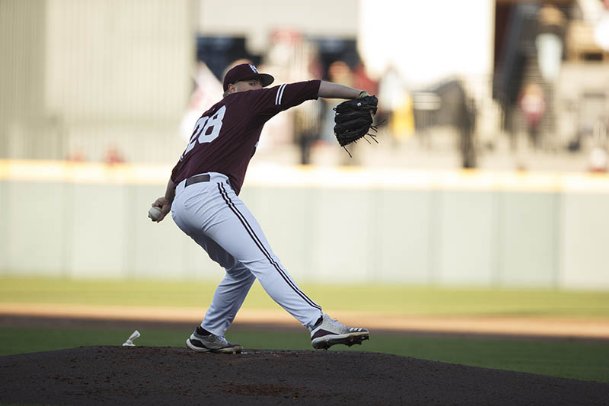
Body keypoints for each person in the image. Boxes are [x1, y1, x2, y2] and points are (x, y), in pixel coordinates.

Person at [150, 62, 370, 353]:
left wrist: (167, 200)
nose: (258, 88)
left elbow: (180, 166)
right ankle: (318, 322)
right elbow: (310, 88)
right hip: (210, 193)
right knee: (264, 259)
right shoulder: (246, 102)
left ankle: (208, 333)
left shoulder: (206, 117)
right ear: (231, 88)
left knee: (242, 269)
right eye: (251, 82)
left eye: (260, 84)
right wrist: (359, 93)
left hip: (183, 204)